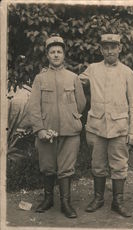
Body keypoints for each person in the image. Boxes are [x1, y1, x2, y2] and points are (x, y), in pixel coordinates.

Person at [79, 34, 133, 217]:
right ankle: (98, 198)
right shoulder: (93, 69)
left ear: (120, 48)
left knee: (119, 164)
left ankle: (117, 201)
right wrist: (52, 74)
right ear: (101, 50)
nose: (110, 51)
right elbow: (74, 82)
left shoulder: (127, 72)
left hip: (119, 128)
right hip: (97, 127)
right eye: (106, 47)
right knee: (97, 164)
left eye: (113, 47)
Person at [28, 34, 86, 218]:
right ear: (47, 55)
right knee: (48, 166)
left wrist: (72, 117)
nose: (55, 55)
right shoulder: (40, 79)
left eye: (59, 51)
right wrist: (40, 129)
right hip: (47, 131)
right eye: (52, 52)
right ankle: (48, 199)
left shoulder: (73, 77)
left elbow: (81, 103)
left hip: (70, 131)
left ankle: (66, 203)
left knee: (66, 168)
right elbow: (33, 106)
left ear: (64, 55)